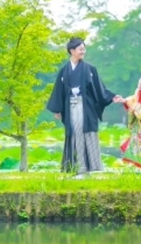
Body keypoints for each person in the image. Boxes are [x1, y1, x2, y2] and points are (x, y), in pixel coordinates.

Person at [46, 38, 122, 177]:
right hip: (70, 107)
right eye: (80, 49)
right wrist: (57, 109)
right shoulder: (64, 71)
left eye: (84, 49)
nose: (83, 51)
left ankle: (94, 168)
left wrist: (111, 96)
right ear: (72, 51)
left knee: (88, 133)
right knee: (75, 134)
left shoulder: (90, 69)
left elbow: (99, 89)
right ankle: (80, 169)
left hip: (86, 107)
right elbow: (59, 91)